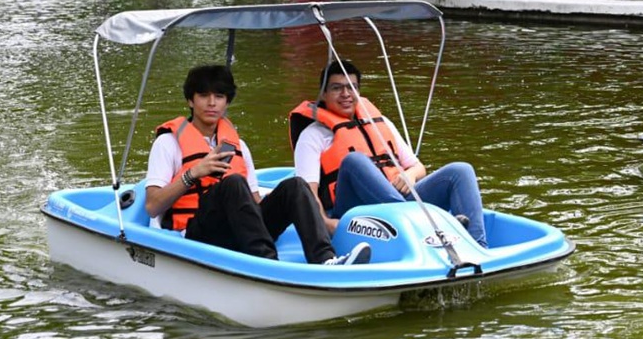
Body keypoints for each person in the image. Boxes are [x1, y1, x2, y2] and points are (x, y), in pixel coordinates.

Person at [145, 64, 370, 266]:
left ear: (227, 102)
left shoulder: (238, 146)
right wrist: (194, 173)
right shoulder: (168, 144)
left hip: (241, 230)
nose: (212, 103)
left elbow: (253, 203)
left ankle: (325, 259)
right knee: (233, 183)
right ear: (190, 101)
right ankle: (267, 263)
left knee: (295, 185)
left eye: (219, 96)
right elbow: (153, 206)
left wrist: (279, 205)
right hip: (200, 232)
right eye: (204, 96)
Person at [290, 60, 489, 248]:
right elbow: (308, 193)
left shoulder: (380, 123)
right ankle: (428, 225)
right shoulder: (312, 136)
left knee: (460, 171)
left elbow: (418, 167)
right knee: (354, 161)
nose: (346, 94)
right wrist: (326, 224)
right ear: (323, 94)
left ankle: (477, 246)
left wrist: (409, 175)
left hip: (397, 201)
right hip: (355, 215)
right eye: (337, 88)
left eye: (352, 87)